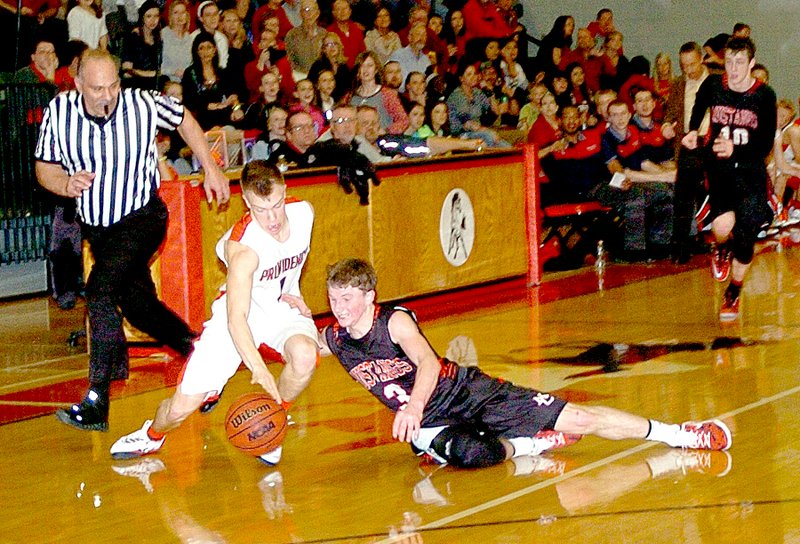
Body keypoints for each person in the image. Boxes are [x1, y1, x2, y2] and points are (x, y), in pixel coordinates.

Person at [318, 258, 731, 469]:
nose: (339, 309)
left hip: (466, 393)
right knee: (470, 455)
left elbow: (426, 364)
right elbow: (297, 348)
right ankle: (531, 445)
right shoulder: (335, 338)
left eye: (347, 299)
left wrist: (412, 406)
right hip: (431, 422)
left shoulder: (395, 322)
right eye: (333, 300)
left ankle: (678, 434)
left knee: (581, 420)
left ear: (369, 296)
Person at [34, 48, 230, 431]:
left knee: (100, 290)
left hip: (142, 217)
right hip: (99, 231)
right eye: (96, 89)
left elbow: (186, 119)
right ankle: (203, 356)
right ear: (77, 85)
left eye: (112, 86)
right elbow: (44, 167)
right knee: (138, 307)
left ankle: (96, 399)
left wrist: (210, 167)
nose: (106, 95)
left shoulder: (143, 103)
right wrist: (65, 183)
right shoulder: (59, 113)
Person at [109, 161, 318, 464]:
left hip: (281, 308)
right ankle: (151, 435)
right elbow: (237, 320)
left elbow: (289, 261)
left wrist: (290, 290)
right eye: (261, 209)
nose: (272, 218)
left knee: (304, 356)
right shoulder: (243, 250)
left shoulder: (303, 213)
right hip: (238, 316)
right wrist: (258, 368)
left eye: (276, 204)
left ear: (285, 191)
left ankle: (273, 422)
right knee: (181, 407)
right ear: (246, 202)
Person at [682, 37, 777, 321]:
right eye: (730, 62)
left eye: (740, 63)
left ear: (750, 64)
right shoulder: (713, 86)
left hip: (750, 173)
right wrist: (692, 131)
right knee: (722, 227)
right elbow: (700, 104)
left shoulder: (764, 95)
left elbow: (764, 146)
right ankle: (721, 246)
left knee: (746, 237)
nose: (734, 69)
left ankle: (734, 291)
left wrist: (736, 148)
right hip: (721, 171)